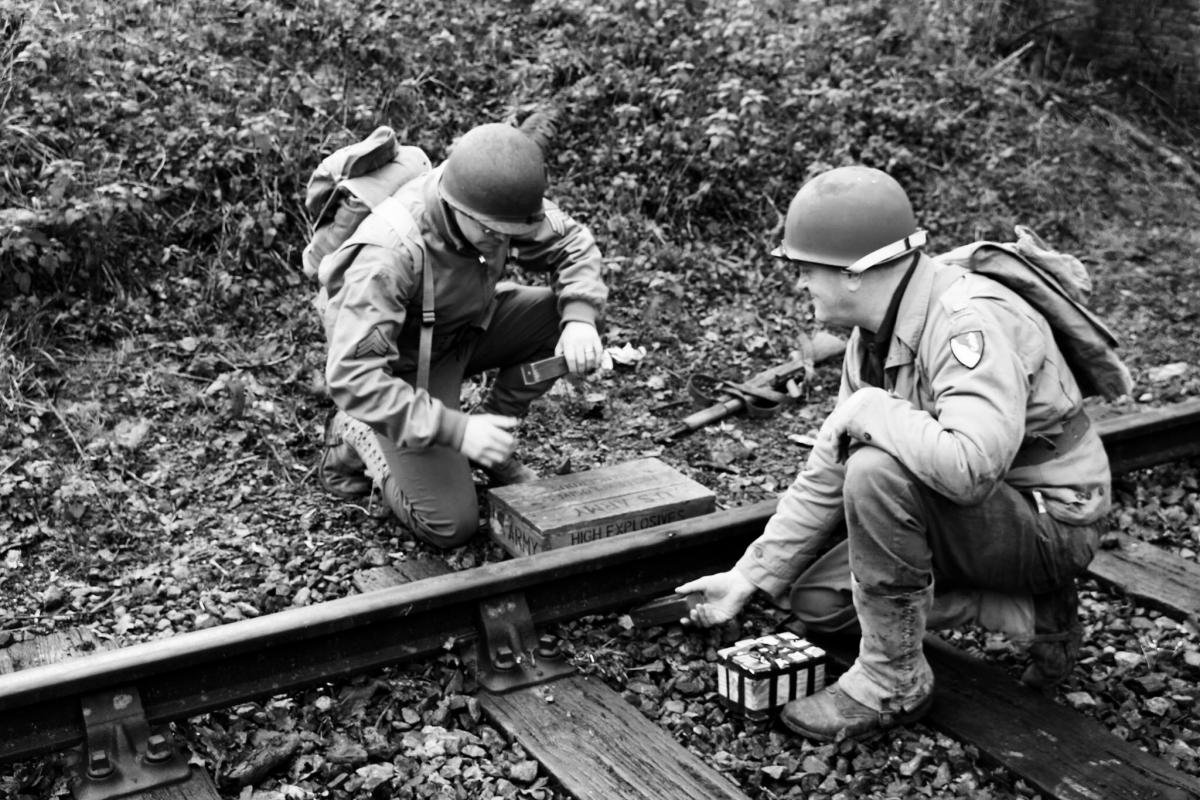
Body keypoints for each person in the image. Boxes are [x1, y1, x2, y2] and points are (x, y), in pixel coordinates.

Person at [677, 165, 1109, 741]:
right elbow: (828, 469)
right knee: (819, 603)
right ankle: (1036, 615)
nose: (800, 283)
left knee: (875, 472)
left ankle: (892, 682)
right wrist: (749, 576)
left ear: (855, 272)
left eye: (806, 269)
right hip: (973, 517)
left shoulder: (966, 322)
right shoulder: (871, 337)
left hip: (1051, 520)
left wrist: (872, 410)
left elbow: (971, 468)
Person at [316, 121, 608, 549]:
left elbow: (573, 242)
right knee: (450, 525)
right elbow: (353, 377)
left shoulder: (495, 207)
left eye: (512, 234)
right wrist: (454, 428)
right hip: (405, 370)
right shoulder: (388, 256)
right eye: (492, 233)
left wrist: (580, 319)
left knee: (562, 318)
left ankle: (493, 434)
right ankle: (357, 434)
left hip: (466, 326)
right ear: (455, 207)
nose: (503, 242)